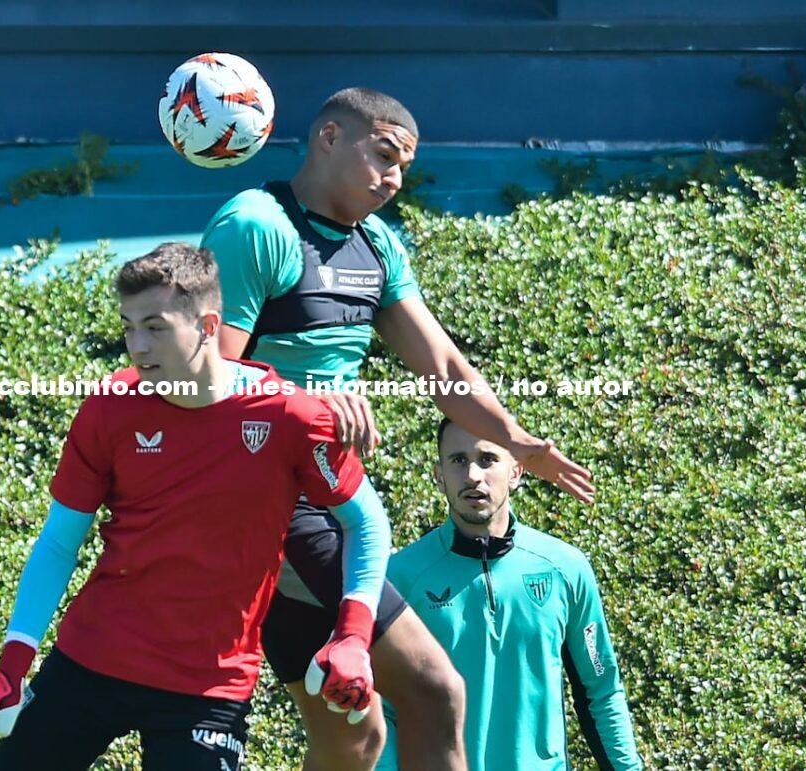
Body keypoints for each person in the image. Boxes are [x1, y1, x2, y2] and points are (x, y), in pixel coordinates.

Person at [200, 86, 596, 769]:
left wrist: (519, 439)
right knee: (436, 690)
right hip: (268, 504)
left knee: (353, 736)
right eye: (382, 156)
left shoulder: (377, 246)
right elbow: (205, 380)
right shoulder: (255, 226)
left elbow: (442, 362)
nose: (393, 179)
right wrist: (309, 408)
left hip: (328, 498)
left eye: (403, 167)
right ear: (328, 136)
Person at [0, 242, 392, 770]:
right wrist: (11, 668)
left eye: (156, 327)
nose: (137, 347)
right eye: (128, 326)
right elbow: (58, 543)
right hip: (93, 659)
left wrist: (352, 635)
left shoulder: (292, 418)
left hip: (208, 686)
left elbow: (365, 521)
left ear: (208, 326)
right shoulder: (109, 407)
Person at [377, 418, 641, 770]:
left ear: (516, 472)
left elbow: (601, 691)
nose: (473, 475)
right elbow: (380, 706)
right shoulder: (399, 578)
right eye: (458, 460)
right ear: (439, 474)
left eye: (487, 459)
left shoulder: (564, 569)